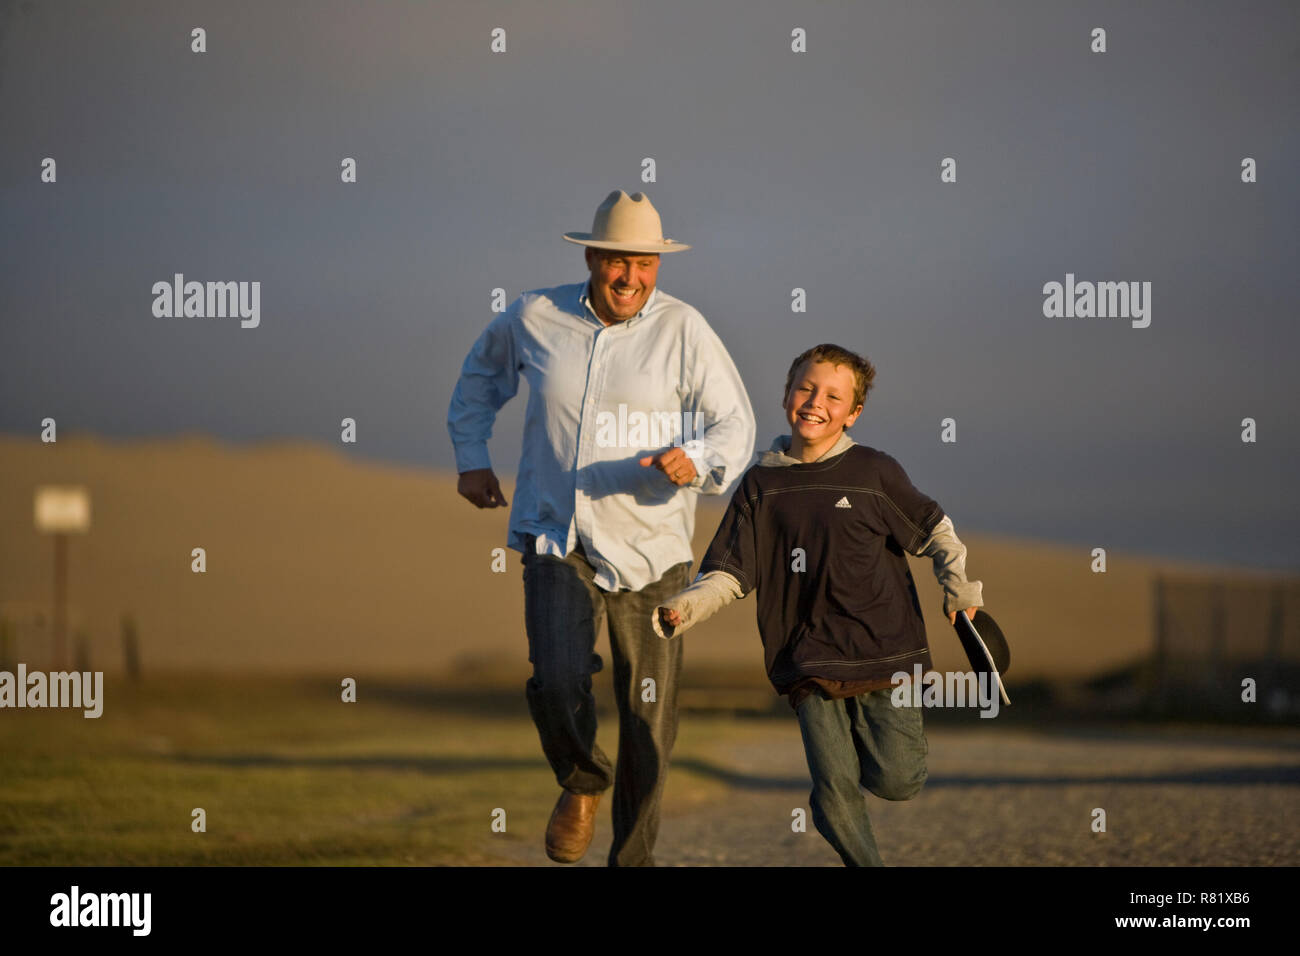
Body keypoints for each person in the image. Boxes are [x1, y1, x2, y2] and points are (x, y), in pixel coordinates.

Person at [447, 190, 756, 866]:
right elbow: (478, 382)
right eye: (617, 261)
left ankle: (633, 859)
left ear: (657, 265)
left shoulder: (686, 331)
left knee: (649, 722)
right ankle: (583, 778)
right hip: (557, 537)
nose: (631, 278)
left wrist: (696, 458)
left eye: (644, 264)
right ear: (592, 257)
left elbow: (736, 424)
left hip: (655, 553)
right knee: (556, 680)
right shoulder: (535, 314)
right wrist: (472, 459)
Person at [652, 343, 985, 866]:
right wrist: (685, 608)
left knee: (899, 780)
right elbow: (729, 571)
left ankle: (840, 790)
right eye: (805, 388)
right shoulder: (761, 485)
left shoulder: (874, 472)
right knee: (836, 785)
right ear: (787, 394)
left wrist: (960, 588)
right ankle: (839, 812)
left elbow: (934, 530)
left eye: (833, 396)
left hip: (886, 654)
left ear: (852, 413)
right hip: (807, 656)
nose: (815, 402)